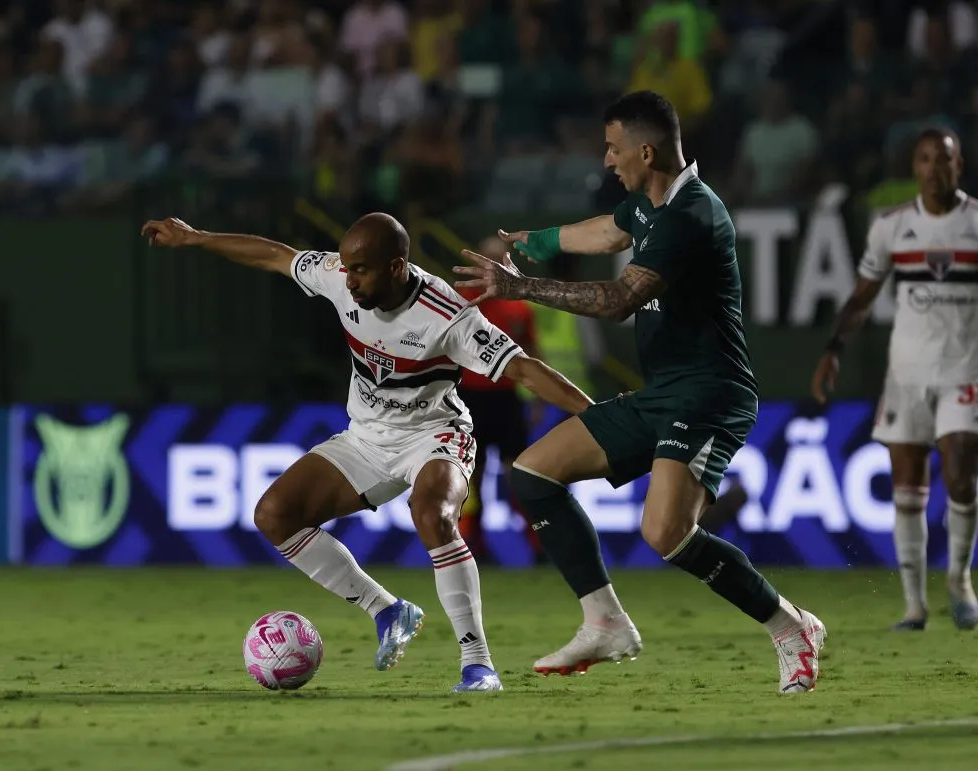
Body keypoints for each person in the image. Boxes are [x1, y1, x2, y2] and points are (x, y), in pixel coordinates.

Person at [454, 90, 826, 694]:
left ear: (645, 151)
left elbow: (618, 298)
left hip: (711, 393)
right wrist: (542, 239)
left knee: (665, 533)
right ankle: (604, 620)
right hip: (664, 393)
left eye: (612, 148)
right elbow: (607, 231)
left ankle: (790, 627)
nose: (606, 161)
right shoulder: (649, 204)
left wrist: (521, 286)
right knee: (532, 473)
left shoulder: (692, 215)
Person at [141, 212, 594, 692]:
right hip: (367, 438)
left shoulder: (448, 315)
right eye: (347, 267)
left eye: (361, 270)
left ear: (397, 267)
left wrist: (599, 416)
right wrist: (197, 237)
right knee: (275, 514)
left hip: (435, 435)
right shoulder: (340, 276)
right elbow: (275, 255)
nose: (349, 279)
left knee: (433, 513)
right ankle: (387, 610)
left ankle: (477, 663)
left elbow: (523, 370)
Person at [811, 127, 978, 632]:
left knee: (960, 474)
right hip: (906, 374)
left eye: (944, 159)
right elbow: (862, 297)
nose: (935, 168)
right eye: (926, 159)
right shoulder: (892, 226)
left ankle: (958, 580)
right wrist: (833, 350)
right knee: (907, 484)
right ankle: (914, 606)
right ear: (915, 168)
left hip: (964, 370)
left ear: (959, 166)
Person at [457, 235, 544, 563]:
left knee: (518, 476)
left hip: (506, 400)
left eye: (499, 260)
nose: (493, 266)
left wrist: (536, 399)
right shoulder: (461, 302)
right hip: (469, 401)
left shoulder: (519, 308)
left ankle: (538, 547)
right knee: (469, 477)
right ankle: (471, 548)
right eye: (488, 259)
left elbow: (532, 355)